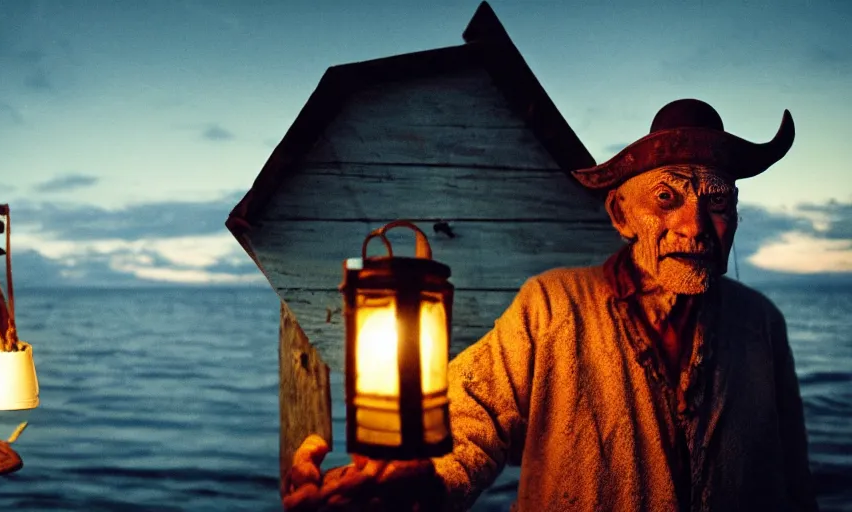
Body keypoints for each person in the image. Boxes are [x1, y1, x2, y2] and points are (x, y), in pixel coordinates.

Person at [282, 99, 818, 511]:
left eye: (717, 202)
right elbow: (470, 417)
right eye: (667, 198)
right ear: (621, 216)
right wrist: (419, 487)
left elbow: (794, 476)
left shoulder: (760, 323)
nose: (695, 227)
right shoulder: (553, 304)